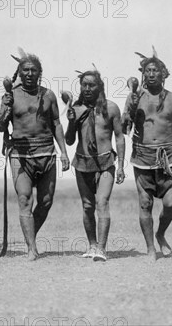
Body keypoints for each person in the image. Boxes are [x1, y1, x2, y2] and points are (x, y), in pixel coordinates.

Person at [123, 48, 172, 262]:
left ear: (163, 74)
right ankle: (150, 249)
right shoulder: (136, 97)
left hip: (168, 159)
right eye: (148, 70)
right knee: (145, 204)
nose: (152, 74)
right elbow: (124, 128)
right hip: (142, 158)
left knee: (171, 204)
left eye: (156, 70)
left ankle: (160, 233)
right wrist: (130, 106)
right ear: (143, 74)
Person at [0, 49, 69, 261]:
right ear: (19, 72)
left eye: (33, 70)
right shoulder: (10, 96)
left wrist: (63, 152)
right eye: (25, 70)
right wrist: (6, 109)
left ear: (40, 73)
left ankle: (30, 235)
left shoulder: (48, 95)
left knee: (46, 201)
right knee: (24, 199)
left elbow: (56, 123)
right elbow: (1, 126)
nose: (29, 73)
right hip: (20, 155)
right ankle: (31, 248)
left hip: (46, 152)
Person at [64, 68, 125, 262]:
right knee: (88, 205)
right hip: (82, 162)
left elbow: (120, 137)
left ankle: (102, 248)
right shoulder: (77, 108)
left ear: (100, 86)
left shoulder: (111, 108)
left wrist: (122, 165)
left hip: (106, 161)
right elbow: (70, 140)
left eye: (92, 85)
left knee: (102, 203)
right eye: (84, 85)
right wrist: (71, 122)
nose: (88, 88)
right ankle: (91, 245)